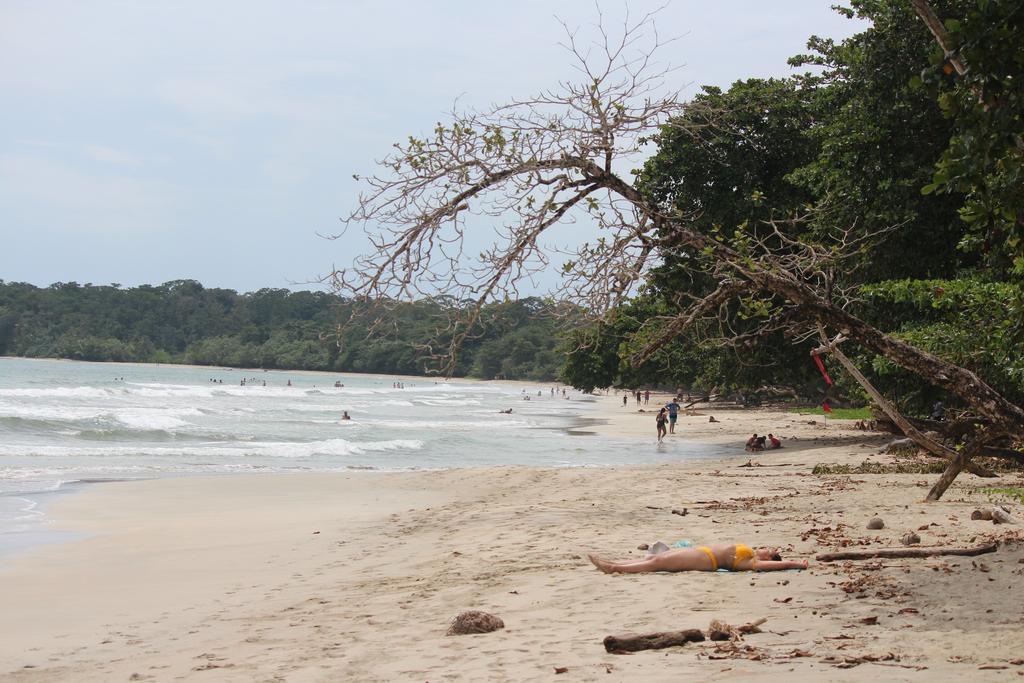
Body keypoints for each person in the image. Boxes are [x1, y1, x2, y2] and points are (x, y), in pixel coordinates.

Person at [588, 544, 808, 573]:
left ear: (769, 557)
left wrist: (799, 564)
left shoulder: (751, 562)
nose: (764, 549)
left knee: (658, 563)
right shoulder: (750, 553)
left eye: (768, 550)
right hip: (702, 552)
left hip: (706, 561)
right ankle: (616, 565)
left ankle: (614, 568)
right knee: (661, 557)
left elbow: (783, 564)